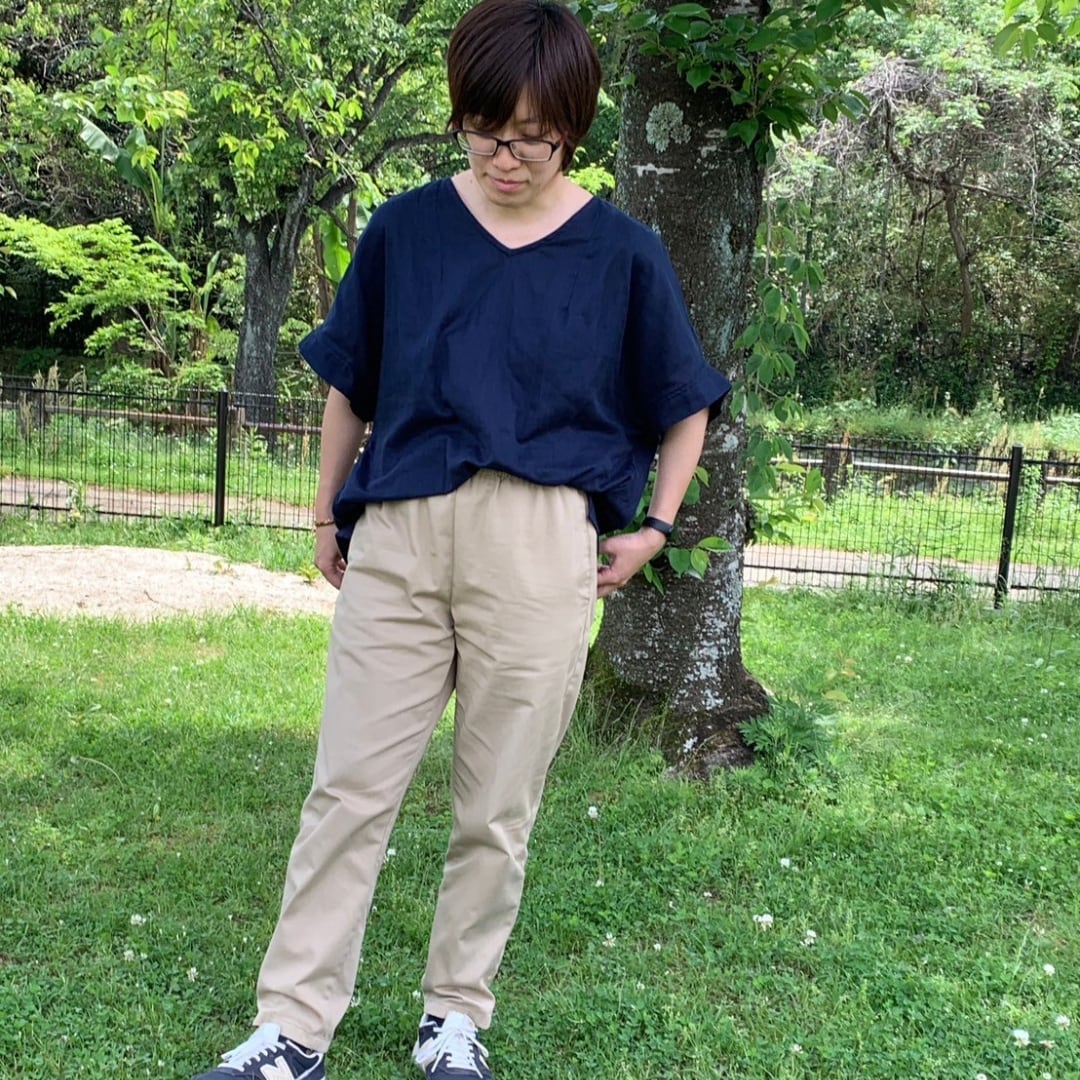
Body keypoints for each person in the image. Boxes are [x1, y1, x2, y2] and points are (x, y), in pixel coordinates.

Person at [191, 0, 730, 1077]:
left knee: (497, 806)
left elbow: (685, 404)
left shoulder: (623, 254)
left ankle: (454, 1017)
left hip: (539, 543)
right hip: (399, 532)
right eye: (485, 131)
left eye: (532, 136)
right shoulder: (406, 230)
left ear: (571, 126)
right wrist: (326, 511)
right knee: (348, 790)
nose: (505, 156)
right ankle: (292, 1027)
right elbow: (350, 382)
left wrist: (656, 529)